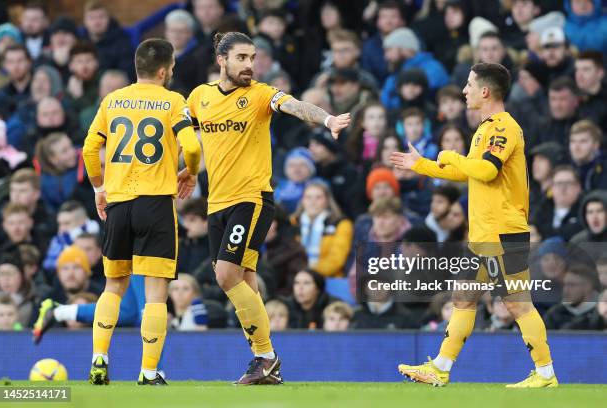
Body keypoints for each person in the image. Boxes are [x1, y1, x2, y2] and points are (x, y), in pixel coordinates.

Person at [185, 32, 350, 385]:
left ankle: (266, 356)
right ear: (222, 60)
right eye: (242, 58)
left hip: (252, 199)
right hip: (217, 203)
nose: (250, 65)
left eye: (253, 57)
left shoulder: (259, 94)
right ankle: (266, 364)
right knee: (244, 280)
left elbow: (294, 105)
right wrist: (187, 166)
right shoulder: (200, 97)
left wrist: (327, 120)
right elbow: (191, 137)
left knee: (226, 276)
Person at [36, 39, 201, 385]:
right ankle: (148, 371)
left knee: (113, 286)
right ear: (163, 70)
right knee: (156, 293)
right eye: (171, 68)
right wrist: (191, 171)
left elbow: (89, 148)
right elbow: (191, 145)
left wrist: (99, 187)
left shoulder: (113, 100)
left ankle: (99, 360)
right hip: (156, 203)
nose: (172, 72)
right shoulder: (173, 101)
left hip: (119, 203)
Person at [391, 62, 558, 387]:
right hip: (484, 232)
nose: (464, 90)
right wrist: (422, 165)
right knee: (464, 295)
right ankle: (440, 367)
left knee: (517, 304)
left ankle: (545, 373)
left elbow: (486, 170)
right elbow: (469, 171)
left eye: (468, 85)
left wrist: (450, 155)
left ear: (484, 91)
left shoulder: (501, 128)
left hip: (502, 231)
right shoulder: (485, 128)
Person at [291, 181, 353, 278]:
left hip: (328, 279)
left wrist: (310, 273)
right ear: (302, 200)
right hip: (294, 278)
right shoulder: (292, 223)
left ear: (327, 200)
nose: (313, 202)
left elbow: (336, 259)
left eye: (318, 197)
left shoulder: (341, 224)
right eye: (308, 197)